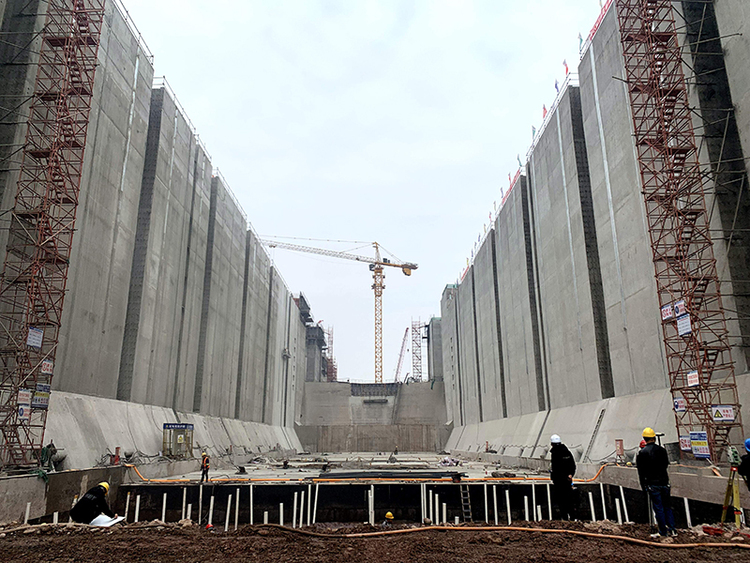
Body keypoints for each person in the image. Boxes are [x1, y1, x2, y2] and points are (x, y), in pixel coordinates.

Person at [636, 427, 676, 538]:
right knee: (667, 506)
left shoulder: (642, 453)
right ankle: (672, 529)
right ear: (654, 437)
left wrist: (643, 486)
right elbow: (665, 465)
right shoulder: (662, 450)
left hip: (653, 484)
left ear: (644, 438)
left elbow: (641, 472)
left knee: (658, 508)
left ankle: (663, 532)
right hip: (664, 482)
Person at [549, 434, 576, 520]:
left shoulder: (555, 452)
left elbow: (555, 467)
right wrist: (571, 474)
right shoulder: (566, 452)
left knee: (561, 500)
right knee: (569, 499)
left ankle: (564, 517)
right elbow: (572, 465)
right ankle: (572, 517)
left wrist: (553, 477)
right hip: (567, 480)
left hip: (559, 481)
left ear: (552, 443)